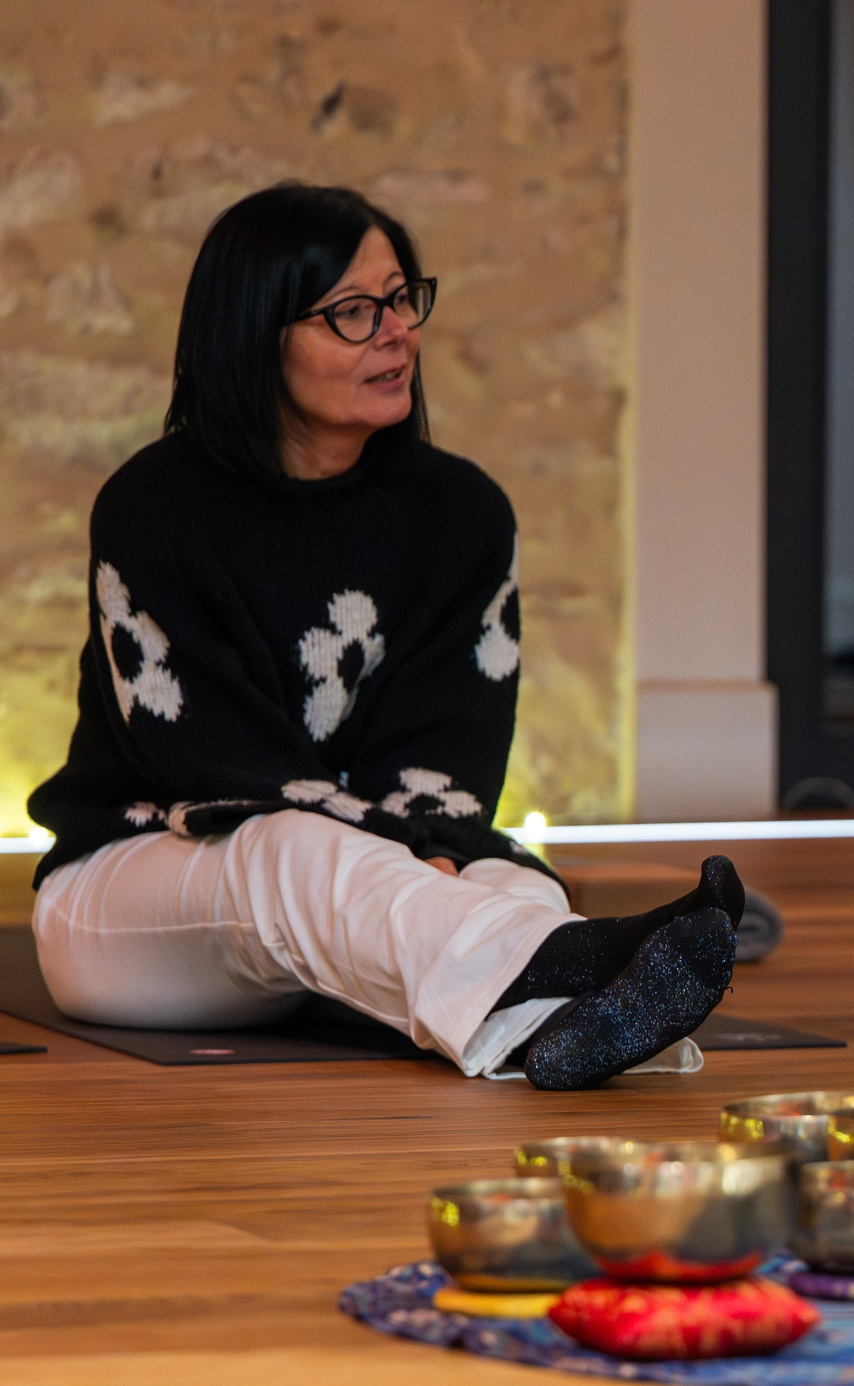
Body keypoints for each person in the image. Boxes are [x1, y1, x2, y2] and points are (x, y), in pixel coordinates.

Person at [27, 183, 742, 1090]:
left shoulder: (463, 513)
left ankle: (571, 1026)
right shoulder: (154, 509)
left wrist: (430, 844)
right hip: (148, 892)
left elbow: (450, 741)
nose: (397, 331)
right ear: (256, 334)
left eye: (402, 300)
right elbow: (214, 767)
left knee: (513, 883)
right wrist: (400, 848)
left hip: (354, 901)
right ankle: (580, 964)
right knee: (287, 848)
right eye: (354, 313)